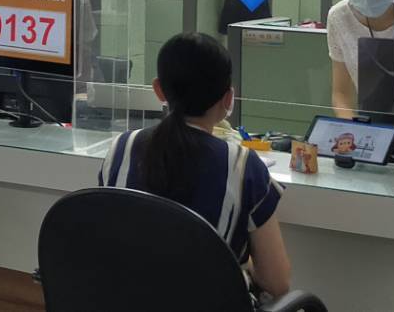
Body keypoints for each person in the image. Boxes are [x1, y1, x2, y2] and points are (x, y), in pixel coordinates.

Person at [99, 33, 291, 298]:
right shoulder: (243, 167)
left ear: (158, 90)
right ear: (228, 99)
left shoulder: (121, 149)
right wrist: (241, 263)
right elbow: (277, 283)